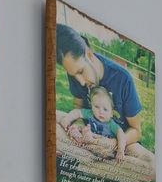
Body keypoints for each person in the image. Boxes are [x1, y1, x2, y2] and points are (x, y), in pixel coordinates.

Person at [55, 23, 153, 161]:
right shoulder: (75, 73)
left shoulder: (123, 78)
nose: (80, 82)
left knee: (151, 163)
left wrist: (113, 144)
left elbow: (136, 131)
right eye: (73, 74)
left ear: (89, 54)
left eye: (81, 71)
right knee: (52, 119)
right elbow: (78, 107)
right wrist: (78, 127)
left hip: (120, 142)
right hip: (88, 137)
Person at [57, 86, 129, 162]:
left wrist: (120, 150)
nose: (101, 111)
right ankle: (80, 139)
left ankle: (87, 142)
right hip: (89, 142)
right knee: (77, 129)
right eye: (96, 107)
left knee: (103, 147)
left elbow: (121, 135)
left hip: (102, 145)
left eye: (105, 109)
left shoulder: (111, 124)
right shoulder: (90, 114)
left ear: (111, 113)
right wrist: (67, 119)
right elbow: (77, 112)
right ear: (91, 106)